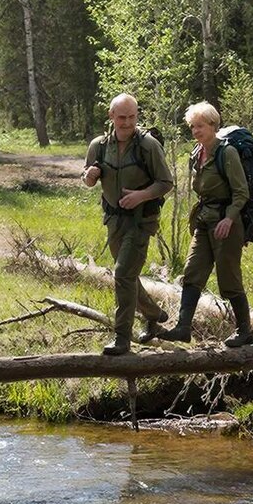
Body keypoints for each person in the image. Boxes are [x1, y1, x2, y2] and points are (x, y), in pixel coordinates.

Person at [157, 101, 253, 348]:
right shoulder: (196, 153)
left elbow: (241, 192)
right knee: (192, 273)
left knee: (229, 278)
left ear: (213, 125)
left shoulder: (227, 153)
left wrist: (229, 218)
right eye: (192, 127)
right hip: (203, 222)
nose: (196, 131)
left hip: (226, 224)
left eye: (200, 126)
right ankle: (183, 328)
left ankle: (245, 331)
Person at [82, 93, 173, 356]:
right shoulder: (98, 145)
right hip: (113, 221)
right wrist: (89, 176)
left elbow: (166, 183)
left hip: (141, 221)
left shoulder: (148, 145)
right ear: (111, 117)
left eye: (132, 117)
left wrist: (140, 196)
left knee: (122, 274)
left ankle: (121, 338)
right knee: (128, 276)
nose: (127, 122)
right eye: (122, 117)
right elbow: (88, 180)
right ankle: (154, 315)